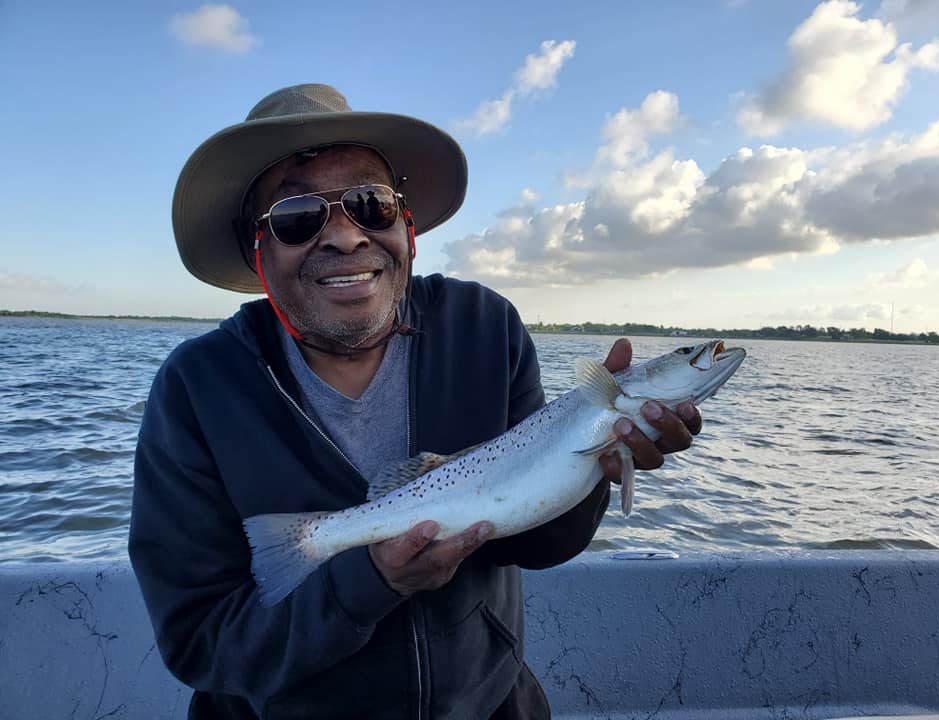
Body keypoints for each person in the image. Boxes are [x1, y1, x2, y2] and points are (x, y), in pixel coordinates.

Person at [128, 84, 702, 720]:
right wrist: (370, 583)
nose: (346, 238)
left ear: (405, 224)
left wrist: (599, 462)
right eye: (296, 215)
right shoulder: (197, 387)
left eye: (369, 204)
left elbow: (536, 543)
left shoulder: (483, 326)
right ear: (257, 248)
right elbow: (201, 641)